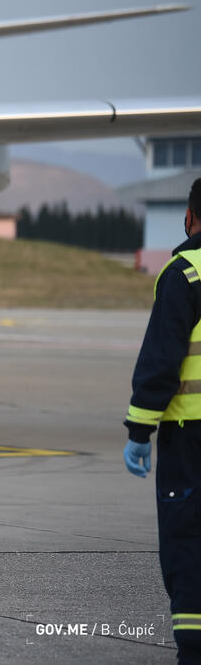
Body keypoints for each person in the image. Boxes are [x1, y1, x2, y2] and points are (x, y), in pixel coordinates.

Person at [124, 177, 201, 664]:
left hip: (189, 432)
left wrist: (139, 430)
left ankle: (193, 643)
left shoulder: (187, 271)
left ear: (191, 218)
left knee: (187, 536)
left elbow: (162, 358)